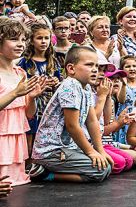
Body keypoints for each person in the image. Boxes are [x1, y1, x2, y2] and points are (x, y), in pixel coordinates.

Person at [29, 46, 113, 182]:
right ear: (71, 68)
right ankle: (44, 174)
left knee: (106, 164)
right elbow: (72, 126)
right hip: (51, 151)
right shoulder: (70, 86)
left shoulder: (85, 88)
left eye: (96, 66)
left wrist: (100, 150)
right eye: (89, 65)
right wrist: (91, 152)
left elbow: (92, 121)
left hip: (68, 148)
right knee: (100, 170)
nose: (95, 70)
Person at [0, 19, 46, 186]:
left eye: (23, 40)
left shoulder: (20, 73)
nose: (20, 44)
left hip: (16, 141)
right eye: (13, 39)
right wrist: (15, 93)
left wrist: (32, 97)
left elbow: (28, 114)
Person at [18, 23, 62, 153]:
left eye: (46, 38)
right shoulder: (25, 62)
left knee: (43, 137)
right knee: (30, 138)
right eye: (39, 38)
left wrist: (55, 82)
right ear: (31, 40)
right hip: (31, 104)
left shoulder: (52, 61)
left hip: (48, 104)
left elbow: (58, 81)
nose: (43, 41)